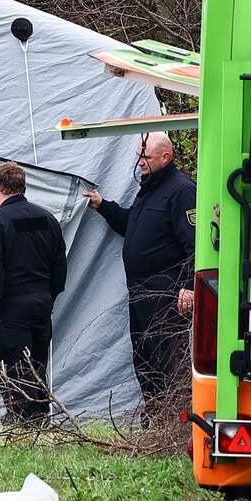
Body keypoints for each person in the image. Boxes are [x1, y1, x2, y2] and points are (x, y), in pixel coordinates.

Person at [82, 132, 196, 411]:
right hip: (141, 291)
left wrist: (190, 286)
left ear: (165, 157)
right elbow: (131, 224)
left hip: (166, 293)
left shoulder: (181, 190)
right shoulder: (150, 189)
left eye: (145, 155)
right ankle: (156, 416)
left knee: (167, 358)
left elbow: (195, 243)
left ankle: (174, 419)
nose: (139, 161)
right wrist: (102, 205)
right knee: (144, 359)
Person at [0, 162, 67, 423]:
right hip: (41, 305)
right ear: (22, 186)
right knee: (37, 370)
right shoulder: (47, 219)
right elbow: (59, 266)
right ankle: (41, 424)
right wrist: (49, 297)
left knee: (16, 374)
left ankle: (26, 430)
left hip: (9, 310)